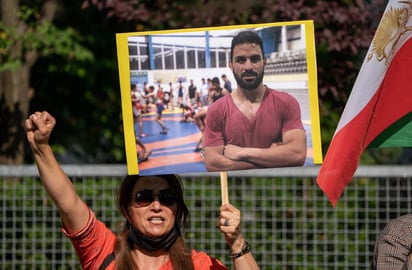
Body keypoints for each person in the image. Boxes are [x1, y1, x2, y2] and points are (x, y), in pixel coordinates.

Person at [25, 111, 260, 270]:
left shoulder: (198, 264)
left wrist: (236, 242)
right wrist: (42, 148)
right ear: (127, 210)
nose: (156, 205)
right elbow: (68, 203)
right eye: (143, 197)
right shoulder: (105, 254)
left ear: (177, 209)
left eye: (167, 198)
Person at [203, 30, 307, 172]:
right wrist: (274, 158)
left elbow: (297, 155)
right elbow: (213, 164)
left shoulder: (287, 103)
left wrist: (242, 153)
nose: (248, 67)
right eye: (240, 60)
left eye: (254, 59)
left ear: (264, 62)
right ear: (231, 65)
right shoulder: (217, 110)